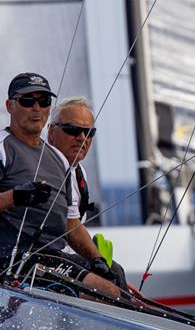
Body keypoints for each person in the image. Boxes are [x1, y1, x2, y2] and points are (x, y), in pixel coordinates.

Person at [0, 73, 121, 296]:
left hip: (50, 258)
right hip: (9, 262)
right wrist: (15, 197)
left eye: (44, 101)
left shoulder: (58, 159)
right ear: (10, 106)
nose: (36, 108)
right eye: (27, 101)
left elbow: (71, 224)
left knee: (115, 278)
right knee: (105, 293)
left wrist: (97, 259)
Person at [46, 96, 131, 292]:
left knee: (118, 276)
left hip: (68, 259)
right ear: (51, 132)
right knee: (113, 285)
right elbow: (71, 227)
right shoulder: (47, 168)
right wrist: (97, 261)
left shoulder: (78, 171)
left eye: (89, 132)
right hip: (44, 259)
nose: (82, 138)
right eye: (72, 130)